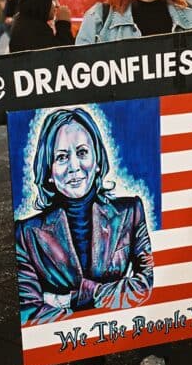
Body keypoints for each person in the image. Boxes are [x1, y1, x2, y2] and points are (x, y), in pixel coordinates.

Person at [75, 0, 192, 365]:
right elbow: (75, 89)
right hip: (114, 155)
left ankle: (156, 350)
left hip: (171, 154)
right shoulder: (99, 19)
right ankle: (88, 354)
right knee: (97, 255)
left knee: (161, 256)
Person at [16, 107, 153, 325]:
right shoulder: (26, 234)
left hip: (128, 328)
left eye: (82, 152)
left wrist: (75, 298)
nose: (74, 167)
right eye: (61, 157)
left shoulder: (130, 212)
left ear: (97, 161)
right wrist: (112, 298)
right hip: (73, 342)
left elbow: (147, 286)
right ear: (49, 171)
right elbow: (30, 314)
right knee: (85, 359)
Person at [8, 0, 74, 53]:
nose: (58, 4)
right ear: (41, 0)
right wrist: (63, 24)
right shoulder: (31, 30)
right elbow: (64, 57)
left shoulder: (29, 22)